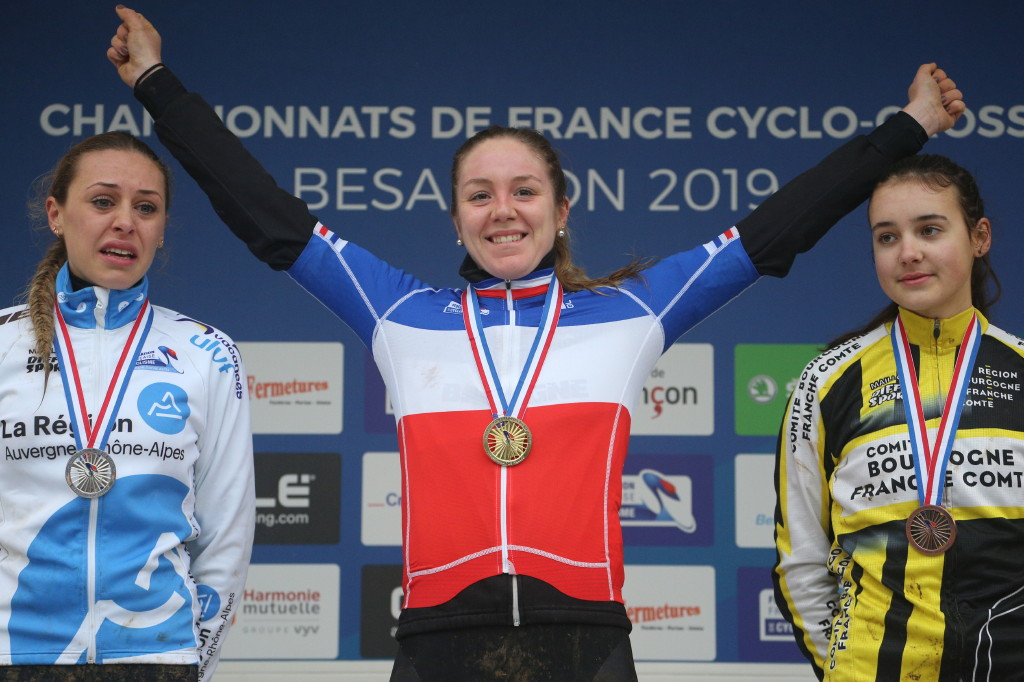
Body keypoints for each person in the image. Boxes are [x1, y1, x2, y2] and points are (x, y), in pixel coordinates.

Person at [106, 6, 964, 680]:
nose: (503, 210)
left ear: (561, 209)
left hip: (585, 642)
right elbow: (268, 216)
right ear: (454, 216)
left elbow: (776, 229)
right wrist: (156, 82)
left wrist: (906, 129)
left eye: (524, 191)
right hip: (435, 641)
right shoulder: (398, 312)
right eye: (479, 195)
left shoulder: (633, 312)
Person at [0, 131, 255, 682]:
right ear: (56, 214)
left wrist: (190, 664)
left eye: (146, 207)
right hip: (15, 654)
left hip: (157, 657)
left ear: (161, 230)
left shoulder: (207, 353)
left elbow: (226, 538)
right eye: (102, 201)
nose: (125, 221)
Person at [772, 154, 1024, 681]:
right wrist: (845, 668)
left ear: (980, 237)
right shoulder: (827, 381)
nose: (908, 252)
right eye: (887, 237)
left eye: (930, 230)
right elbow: (801, 558)